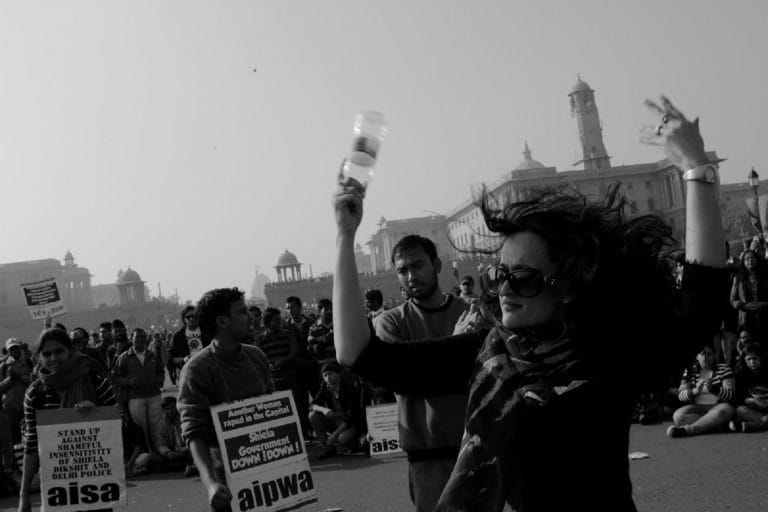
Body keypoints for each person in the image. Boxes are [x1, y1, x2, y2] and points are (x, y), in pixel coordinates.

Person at [331, 96, 727, 511]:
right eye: (498, 275)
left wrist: (695, 169)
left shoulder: (608, 353)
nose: (504, 289)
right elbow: (360, 355)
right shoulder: (491, 356)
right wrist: (344, 236)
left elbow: (702, 300)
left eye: (522, 279)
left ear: (567, 283)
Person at [373, 234, 469, 512]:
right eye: (402, 270)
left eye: (418, 266)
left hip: (475, 446)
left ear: (436, 265)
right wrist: (457, 344)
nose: (411, 276)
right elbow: (408, 380)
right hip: (427, 454)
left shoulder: (470, 311)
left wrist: (429, 366)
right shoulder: (391, 322)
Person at [177, 288, 274, 512]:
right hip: (228, 480)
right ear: (222, 322)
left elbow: (274, 409)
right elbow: (194, 432)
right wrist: (211, 483)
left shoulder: (256, 356)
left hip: (270, 469)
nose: (250, 316)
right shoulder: (197, 369)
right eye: (242, 312)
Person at [18, 328, 118, 512]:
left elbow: (120, 424)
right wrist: (23, 496)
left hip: (96, 483)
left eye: (59, 351)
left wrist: (96, 413)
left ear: (70, 351)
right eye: (46, 354)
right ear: (39, 357)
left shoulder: (95, 379)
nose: (53, 358)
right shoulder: (35, 393)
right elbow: (31, 446)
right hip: (57, 486)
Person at [112, 328, 165, 452]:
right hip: (135, 397)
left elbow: (161, 371)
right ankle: (145, 452)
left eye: (143, 337)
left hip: (154, 395)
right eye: (137, 337)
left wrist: (157, 380)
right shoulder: (124, 357)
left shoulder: (152, 355)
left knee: (157, 425)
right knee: (141, 427)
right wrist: (130, 382)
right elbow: (116, 377)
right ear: (132, 339)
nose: (140, 339)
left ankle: (160, 450)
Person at [667, 344, 736, 437]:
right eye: (702, 354)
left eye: (709, 354)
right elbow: (681, 395)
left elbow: (730, 395)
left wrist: (714, 389)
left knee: (723, 411)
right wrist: (694, 391)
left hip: (719, 407)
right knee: (678, 416)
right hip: (698, 408)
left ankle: (688, 430)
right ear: (697, 357)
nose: (705, 357)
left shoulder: (724, 368)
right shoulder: (691, 371)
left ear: (715, 356)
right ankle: (714, 425)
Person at [308, 362, 365, 460]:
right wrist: (324, 409)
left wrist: (333, 435)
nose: (327, 377)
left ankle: (356, 441)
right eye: (325, 375)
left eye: (330, 374)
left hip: (350, 424)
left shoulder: (349, 388)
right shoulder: (325, 386)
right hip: (336, 421)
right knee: (313, 415)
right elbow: (311, 405)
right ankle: (329, 448)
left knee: (342, 439)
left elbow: (351, 418)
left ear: (338, 374)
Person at [730, 249, 768, 343]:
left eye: (753, 258)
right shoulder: (738, 278)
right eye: (747, 259)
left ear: (757, 260)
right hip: (745, 320)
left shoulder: (766, 276)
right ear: (743, 262)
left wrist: (763, 304)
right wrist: (745, 306)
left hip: (765, 316)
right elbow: (733, 299)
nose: (750, 261)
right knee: (748, 346)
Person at [151, 396, 196, 475]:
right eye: (167, 409)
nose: (170, 411)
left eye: (172, 408)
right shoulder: (162, 424)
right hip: (172, 453)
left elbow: (193, 438)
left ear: (176, 407)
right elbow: (160, 443)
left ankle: (172, 468)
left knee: (194, 452)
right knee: (152, 456)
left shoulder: (184, 419)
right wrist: (168, 452)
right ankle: (182, 467)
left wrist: (185, 449)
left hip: (185, 451)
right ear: (164, 410)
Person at [731, 343, 768, 432]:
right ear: (744, 360)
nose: (752, 362)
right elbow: (739, 399)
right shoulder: (740, 375)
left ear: (761, 358)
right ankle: (764, 422)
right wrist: (752, 400)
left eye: (755, 358)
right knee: (740, 410)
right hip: (754, 408)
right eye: (749, 359)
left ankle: (751, 426)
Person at [169, 306, 209, 379]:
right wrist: (183, 359)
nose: (191, 318)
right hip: (187, 374)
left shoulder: (207, 332)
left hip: (207, 371)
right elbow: (171, 358)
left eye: (194, 316)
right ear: (183, 319)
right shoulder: (178, 336)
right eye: (188, 317)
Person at [307, 299, 336, 368]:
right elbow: (311, 349)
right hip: (322, 366)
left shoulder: (337, 325)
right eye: (326, 310)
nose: (330, 311)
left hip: (338, 365)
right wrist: (325, 340)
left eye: (331, 309)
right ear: (319, 311)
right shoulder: (313, 329)